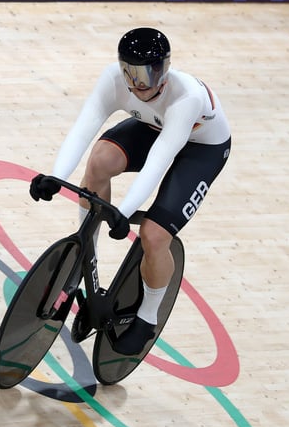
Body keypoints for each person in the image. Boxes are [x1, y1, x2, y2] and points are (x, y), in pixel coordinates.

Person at [29, 27, 231, 355]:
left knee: (153, 235)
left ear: (164, 70)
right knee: (99, 161)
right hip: (154, 127)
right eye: (130, 73)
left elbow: (159, 161)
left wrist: (125, 211)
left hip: (201, 149)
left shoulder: (186, 97)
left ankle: (147, 317)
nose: (138, 84)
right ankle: (85, 253)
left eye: (147, 74)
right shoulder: (113, 80)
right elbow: (85, 126)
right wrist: (56, 174)